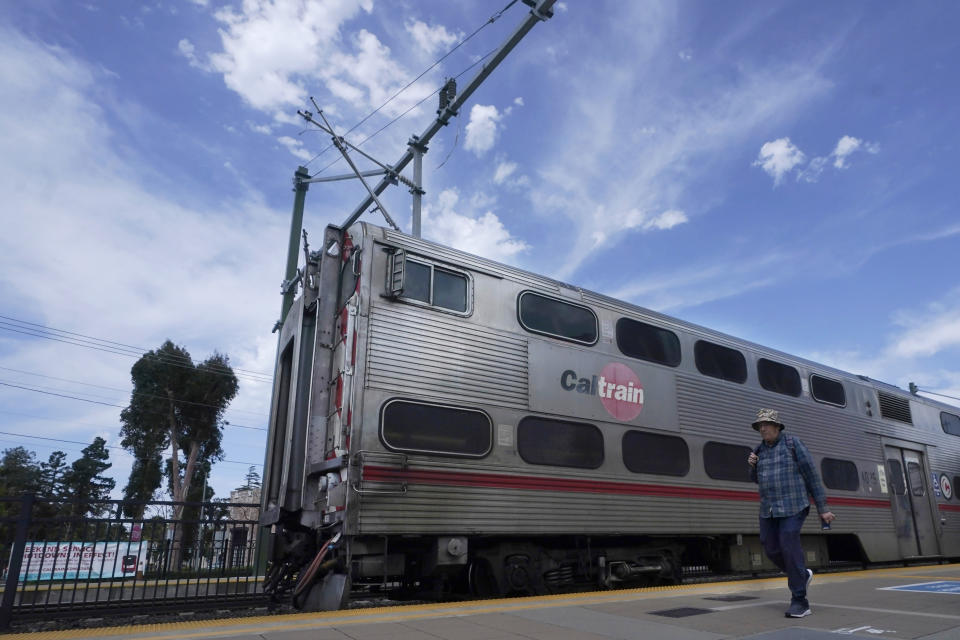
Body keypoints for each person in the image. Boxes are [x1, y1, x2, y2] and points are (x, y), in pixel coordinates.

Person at [747, 408, 836, 618]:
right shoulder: (759, 451)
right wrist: (752, 467)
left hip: (794, 505)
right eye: (760, 425)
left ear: (777, 426)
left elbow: (812, 476)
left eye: (766, 424)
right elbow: (757, 480)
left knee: (788, 542)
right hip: (768, 508)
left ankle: (800, 601)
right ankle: (801, 575)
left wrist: (823, 509)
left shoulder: (793, 444)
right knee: (769, 547)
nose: (762, 428)